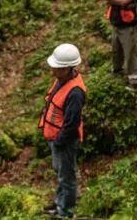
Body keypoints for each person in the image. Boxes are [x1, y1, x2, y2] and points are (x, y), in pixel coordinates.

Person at [39, 44, 86, 218]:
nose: (53, 71)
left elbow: (71, 124)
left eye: (57, 68)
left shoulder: (75, 93)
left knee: (67, 177)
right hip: (55, 137)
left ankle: (66, 212)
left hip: (64, 140)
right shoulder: (62, 79)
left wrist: (59, 141)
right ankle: (59, 203)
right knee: (60, 173)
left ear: (68, 69)